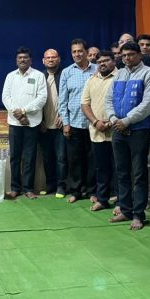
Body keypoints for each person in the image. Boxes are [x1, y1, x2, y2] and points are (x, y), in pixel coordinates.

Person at [105, 41, 150, 230]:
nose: (127, 58)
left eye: (130, 54)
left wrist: (127, 120)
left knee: (139, 173)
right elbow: (109, 99)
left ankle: (138, 215)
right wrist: (114, 119)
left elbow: (149, 103)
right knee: (121, 172)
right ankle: (126, 210)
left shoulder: (149, 74)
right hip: (118, 129)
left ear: (139, 55)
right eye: (124, 55)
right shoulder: (119, 74)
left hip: (138, 130)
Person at [2, 46, 47, 199]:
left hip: (32, 123)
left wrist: (24, 111)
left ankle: (28, 188)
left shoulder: (38, 76)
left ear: (30, 60)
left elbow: (42, 98)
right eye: (20, 58)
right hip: (15, 123)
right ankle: (15, 188)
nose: (23, 60)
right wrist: (19, 116)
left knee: (30, 156)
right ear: (16, 60)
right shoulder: (10, 76)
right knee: (15, 156)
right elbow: (5, 98)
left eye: (25, 57)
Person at [59, 39, 98, 203]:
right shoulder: (67, 72)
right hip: (74, 123)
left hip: (94, 124)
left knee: (93, 159)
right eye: (74, 51)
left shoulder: (97, 69)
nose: (77, 54)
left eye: (80, 51)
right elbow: (62, 101)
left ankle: (92, 191)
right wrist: (66, 123)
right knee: (75, 159)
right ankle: (76, 191)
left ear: (86, 52)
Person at [81, 50, 117, 211]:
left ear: (114, 61)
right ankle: (102, 199)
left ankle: (121, 202)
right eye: (100, 61)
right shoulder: (92, 80)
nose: (102, 64)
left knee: (119, 169)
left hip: (117, 130)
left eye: (106, 60)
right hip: (97, 131)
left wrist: (110, 122)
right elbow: (85, 104)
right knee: (101, 168)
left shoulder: (121, 77)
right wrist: (96, 122)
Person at [38, 48, 67, 197]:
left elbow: (70, 98)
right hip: (44, 126)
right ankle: (50, 185)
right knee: (47, 158)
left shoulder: (65, 75)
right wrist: (40, 120)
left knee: (61, 158)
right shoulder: (40, 77)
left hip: (60, 125)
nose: (51, 59)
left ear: (59, 59)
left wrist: (64, 117)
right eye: (48, 58)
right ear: (43, 61)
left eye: (53, 57)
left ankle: (61, 186)